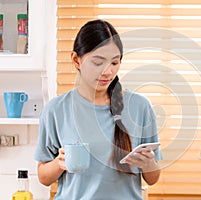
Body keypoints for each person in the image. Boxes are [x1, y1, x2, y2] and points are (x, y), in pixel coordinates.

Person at [34, 19, 162, 200]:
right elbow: (43, 177)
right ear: (76, 60)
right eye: (98, 62)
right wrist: (59, 163)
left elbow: (153, 178)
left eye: (114, 63)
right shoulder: (56, 110)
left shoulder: (140, 107)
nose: (107, 72)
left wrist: (148, 164)